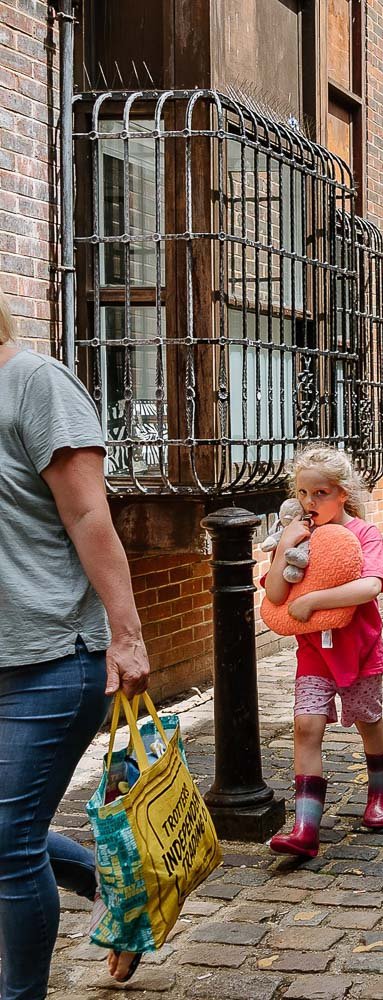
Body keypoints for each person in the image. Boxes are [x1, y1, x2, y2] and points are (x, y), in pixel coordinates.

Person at [0, 291, 150, 992]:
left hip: (51, 658)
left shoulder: (33, 382)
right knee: (8, 834)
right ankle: (115, 888)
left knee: (8, 843)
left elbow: (91, 514)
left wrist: (127, 635)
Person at [262, 445, 383, 858]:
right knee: (306, 727)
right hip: (314, 653)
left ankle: (379, 795)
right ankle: (305, 828)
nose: (309, 502)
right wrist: (285, 544)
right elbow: (276, 592)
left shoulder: (363, 535)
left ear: (342, 493)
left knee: (368, 723)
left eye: (319, 493)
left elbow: (370, 585)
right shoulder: (301, 537)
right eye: (302, 493)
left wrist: (315, 600)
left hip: (358, 649)